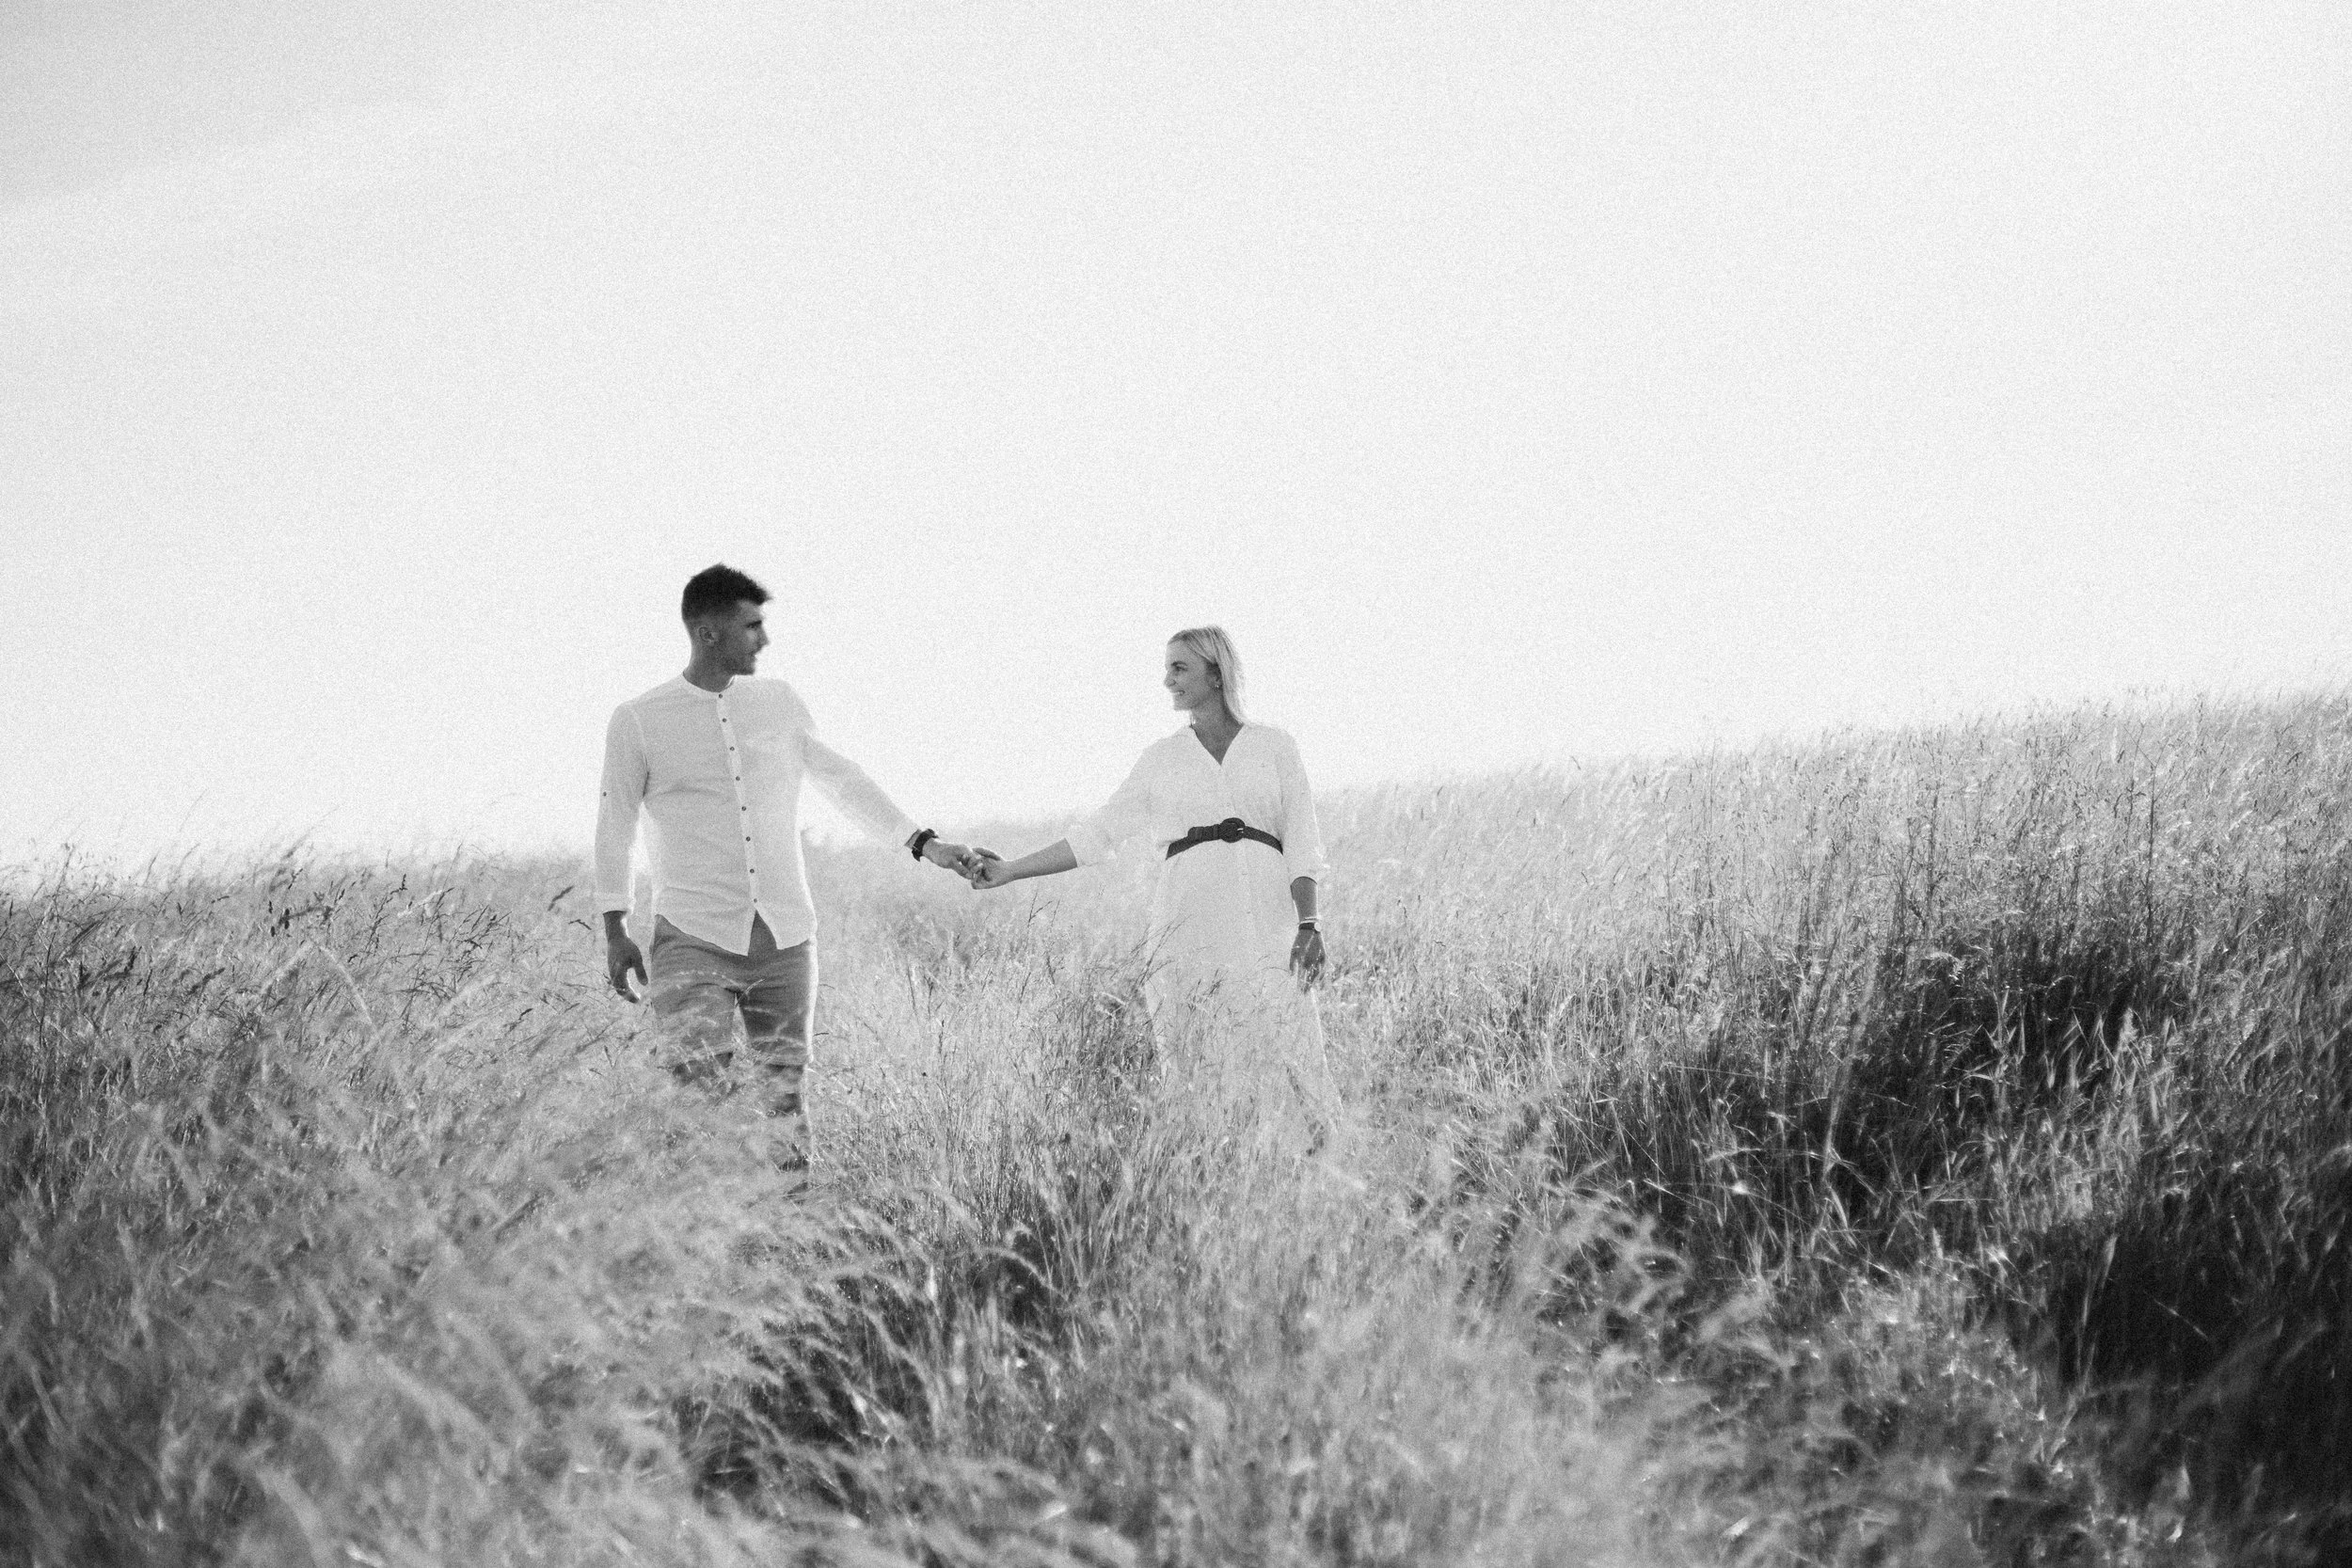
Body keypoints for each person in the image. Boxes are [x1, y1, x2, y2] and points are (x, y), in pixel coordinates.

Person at [596, 563, 981, 1195]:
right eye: (751, 627)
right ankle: (706, 1244)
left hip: (785, 935)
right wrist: (615, 926)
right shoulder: (640, 719)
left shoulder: (778, 703)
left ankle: (791, 1241)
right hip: (692, 934)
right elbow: (615, 824)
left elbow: (842, 779)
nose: (763, 640)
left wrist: (924, 843)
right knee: (698, 1102)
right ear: (707, 631)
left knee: (786, 1103)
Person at [970, 626, 1334, 1150]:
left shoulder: (1274, 746)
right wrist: (1012, 870)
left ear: (1215, 671)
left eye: (1179, 668)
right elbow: (1099, 834)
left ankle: (1312, 1184)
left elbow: (1303, 842)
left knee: (1291, 1051)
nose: (1166, 681)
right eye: (1167, 669)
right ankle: (1219, 1180)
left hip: (1269, 919)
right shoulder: (1162, 758)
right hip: (1188, 925)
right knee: (1201, 1060)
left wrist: (1309, 923)